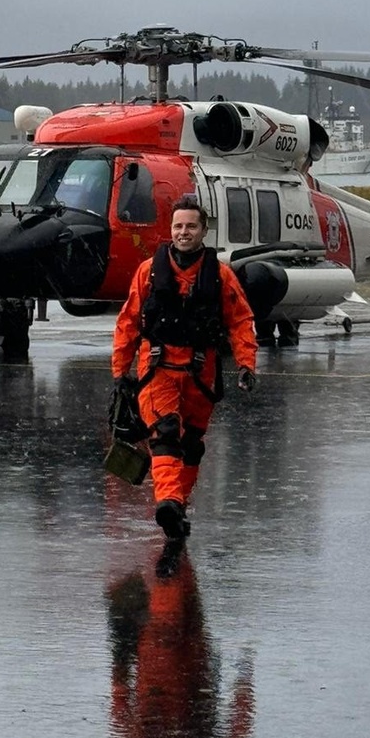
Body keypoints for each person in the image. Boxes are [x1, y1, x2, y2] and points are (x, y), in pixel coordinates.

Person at [110, 195, 257, 545]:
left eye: (191, 226)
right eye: (178, 226)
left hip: (199, 372)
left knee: (191, 445)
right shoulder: (149, 271)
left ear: (204, 230)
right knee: (164, 435)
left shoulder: (219, 275)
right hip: (157, 368)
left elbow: (241, 321)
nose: (183, 232)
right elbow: (128, 322)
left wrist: (246, 364)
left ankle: (178, 509)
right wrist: (120, 372)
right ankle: (169, 502)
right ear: (170, 229)